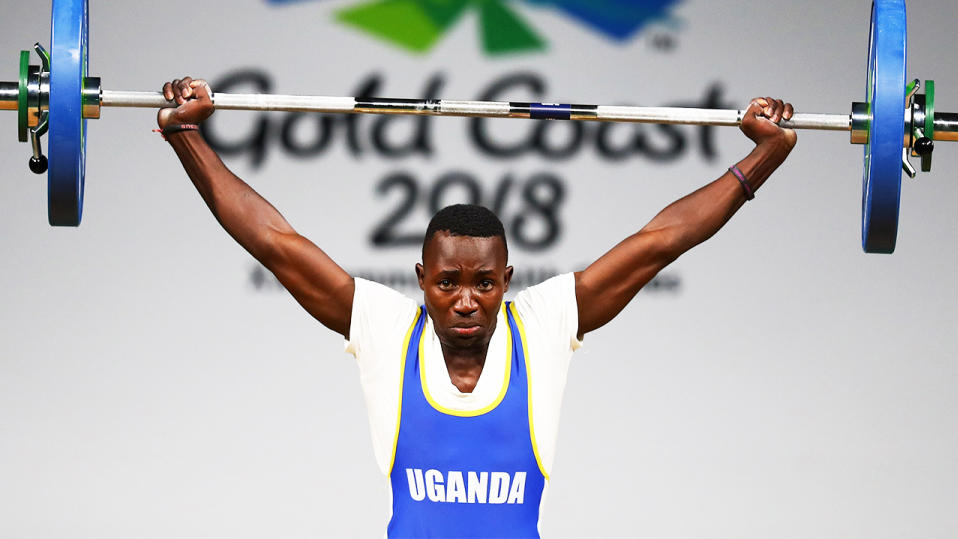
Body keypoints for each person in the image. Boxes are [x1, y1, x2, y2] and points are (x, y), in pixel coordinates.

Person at [157, 77, 796, 538]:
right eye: (447, 283)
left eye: (485, 284)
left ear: (508, 280)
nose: (466, 300)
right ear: (421, 279)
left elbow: (661, 241)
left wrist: (761, 158)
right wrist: (188, 137)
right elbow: (274, 243)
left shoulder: (543, 324)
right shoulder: (385, 328)